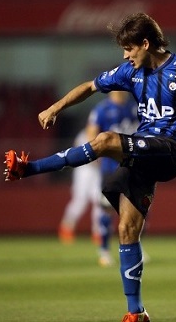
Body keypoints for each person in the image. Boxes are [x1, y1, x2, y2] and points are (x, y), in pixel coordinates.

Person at [3, 12, 176, 322]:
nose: (125, 56)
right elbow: (90, 86)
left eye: (129, 49)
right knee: (126, 229)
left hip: (171, 150)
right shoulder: (131, 72)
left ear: (146, 44)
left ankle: (29, 169)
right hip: (144, 153)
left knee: (105, 141)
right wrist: (56, 107)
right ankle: (136, 312)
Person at [59, 91, 138, 268]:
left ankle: (133, 247)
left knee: (135, 210)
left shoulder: (134, 108)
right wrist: (99, 159)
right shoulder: (102, 110)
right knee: (103, 207)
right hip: (109, 168)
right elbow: (92, 136)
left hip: (131, 167)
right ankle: (104, 249)